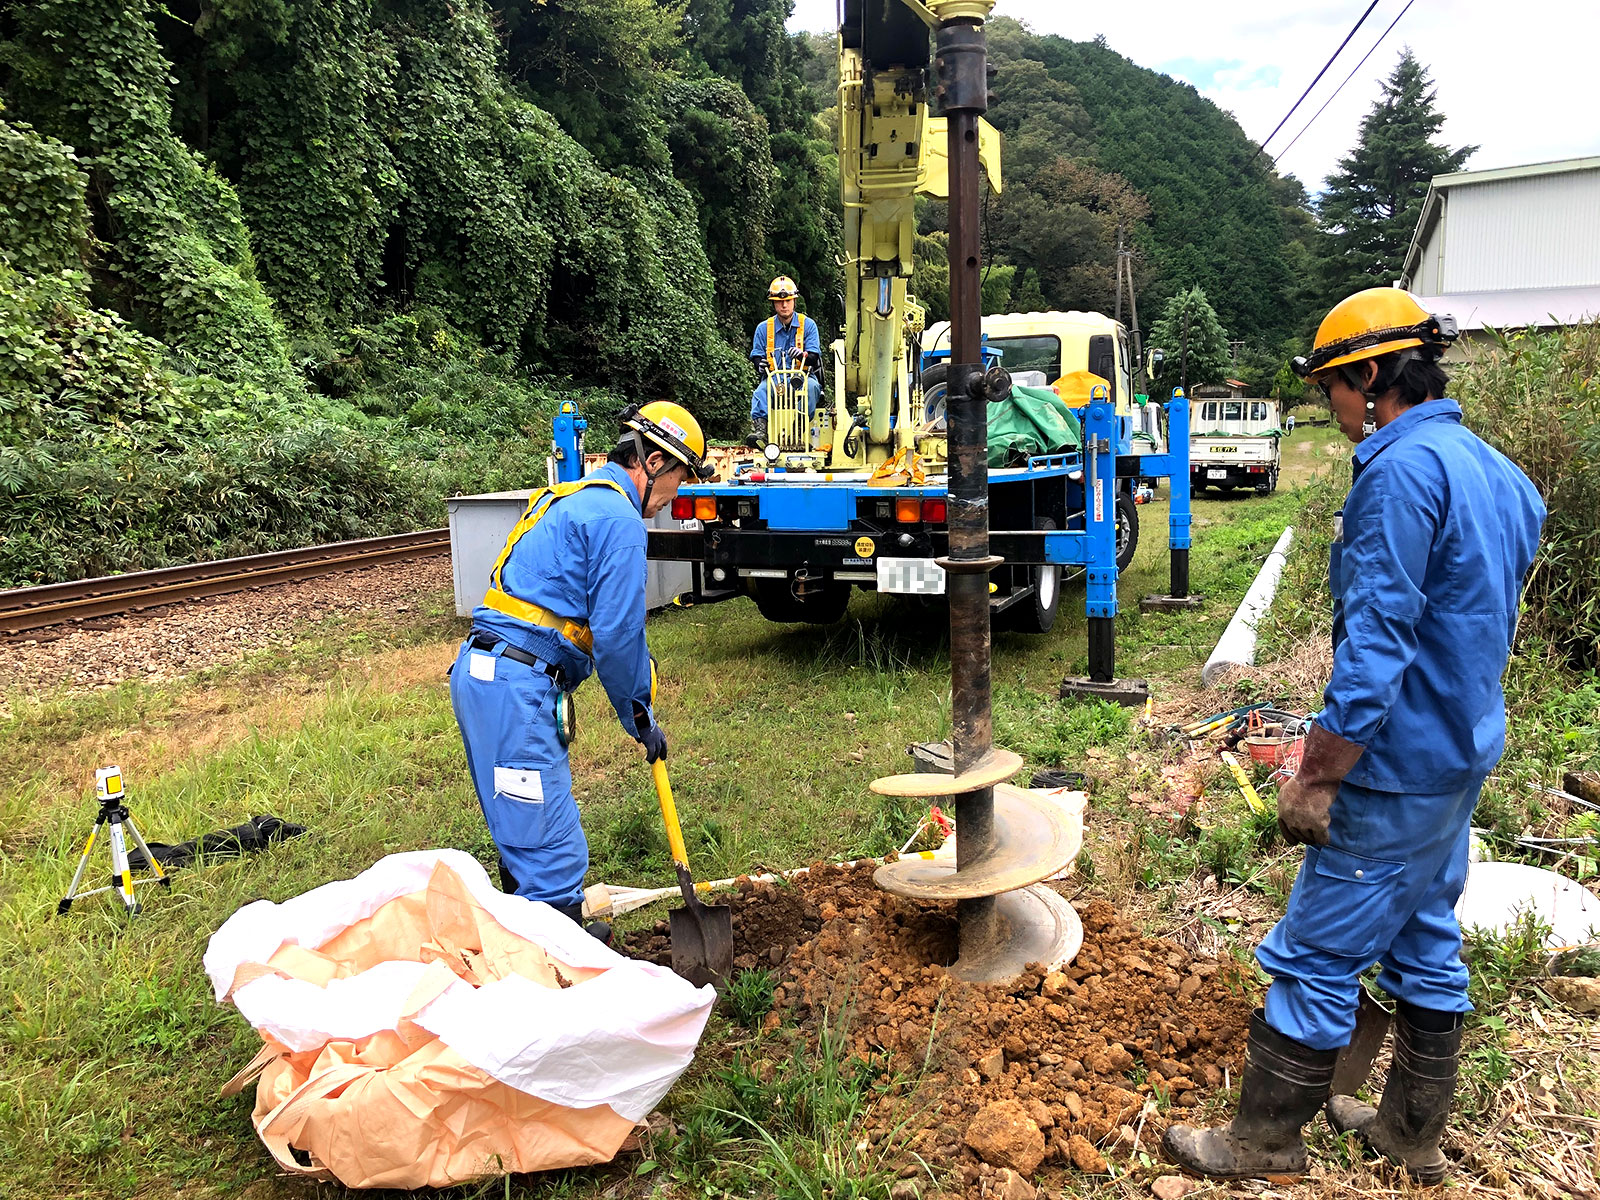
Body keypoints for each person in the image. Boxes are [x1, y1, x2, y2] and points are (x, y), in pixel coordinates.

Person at [1163, 289, 1545, 1184]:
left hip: (1394, 769)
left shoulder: (1398, 474)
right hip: (1459, 755)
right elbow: (1486, 616)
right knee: (1422, 935)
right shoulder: (1498, 471)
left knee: (1315, 952)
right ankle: (1410, 1132)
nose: (1332, 407)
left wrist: (1318, 775)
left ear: (1371, 376)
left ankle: (1262, 1144)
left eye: (1334, 386)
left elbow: (1376, 647)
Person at [450, 402, 712, 941]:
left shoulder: (571, 496)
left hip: (482, 676)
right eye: (681, 478)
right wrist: (640, 713)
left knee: (519, 828)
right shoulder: (618, 519)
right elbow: (618, 636)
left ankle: (525, 938)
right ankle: (561, 965)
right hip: (517, 686)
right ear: (656, 462)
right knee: (550, 846)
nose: (675, 497)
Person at [748, 275, 822, 448]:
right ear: (773, 303)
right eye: (779, 301)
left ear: (794, 300)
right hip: (774, 379)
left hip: (801, 377)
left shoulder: (808, 325)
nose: (784, 305)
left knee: (811, 388)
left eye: (788, 300)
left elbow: (814, 357)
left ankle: (797, 432)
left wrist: (802, 354)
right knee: (760, 391)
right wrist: (760, 364)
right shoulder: (763, 328)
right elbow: (757, 356)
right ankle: (761, 431)